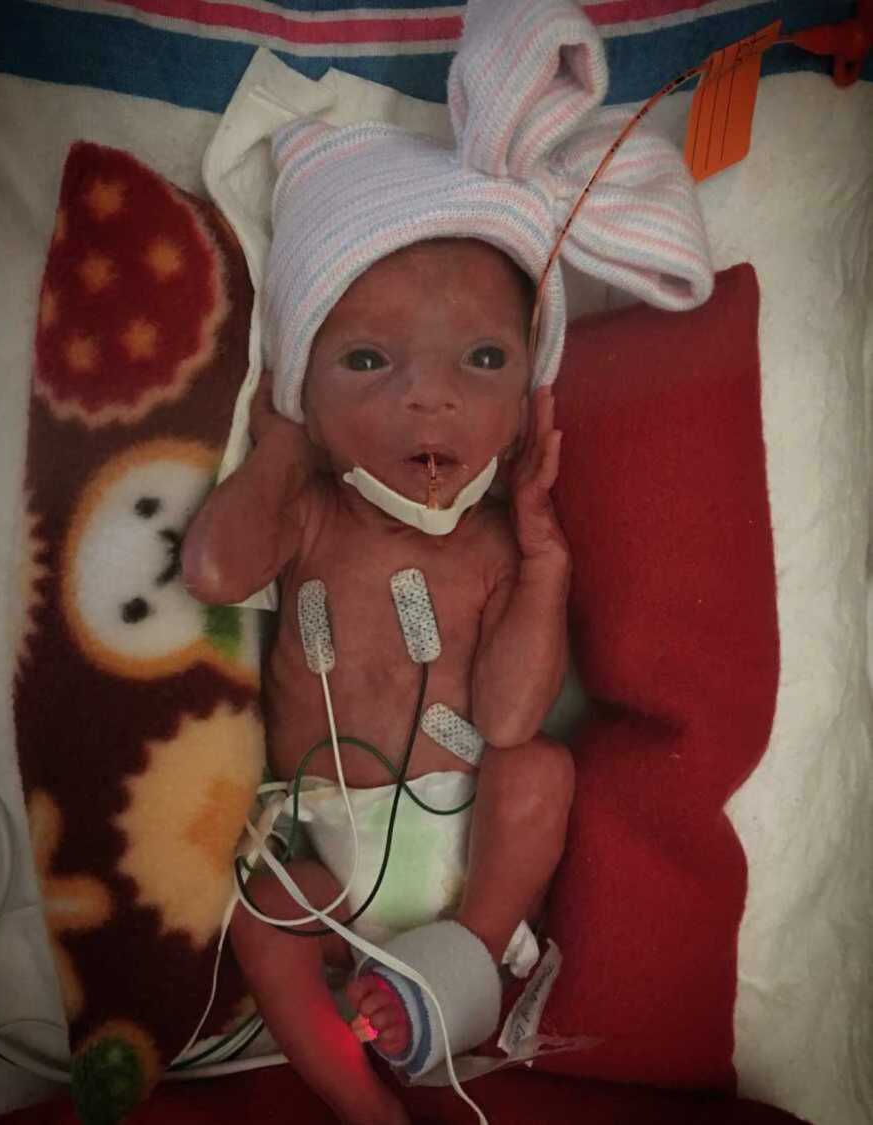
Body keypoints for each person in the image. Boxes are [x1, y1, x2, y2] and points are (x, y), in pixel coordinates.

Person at [183, 2, 712, 1121]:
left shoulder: (488, 548)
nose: (431, 395)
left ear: (527, 402)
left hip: (467, 844)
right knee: (260, 917)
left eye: (481, 357)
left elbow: (514, 718)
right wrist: (278, 442)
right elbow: (220, 574)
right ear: (305, 390)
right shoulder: (314, 515)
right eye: (368, 358)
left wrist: (544, 556)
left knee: (543, 775)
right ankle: (362, 1103)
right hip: (326, 843)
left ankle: (459, 959)